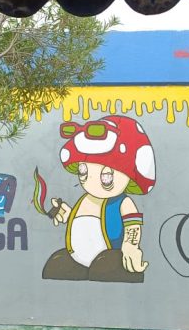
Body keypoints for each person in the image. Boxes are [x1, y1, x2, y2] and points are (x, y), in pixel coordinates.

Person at [42, 115, 156, 283]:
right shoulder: (85, 200)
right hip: (78, 259)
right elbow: (81, 221)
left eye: (106, 176)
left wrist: (130, 247)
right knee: (55, 266)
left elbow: (132, 226)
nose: (91, 181)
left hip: (109, 256)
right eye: (83, 171)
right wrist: (66, 214)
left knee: (104, 268)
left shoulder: (122, 203)